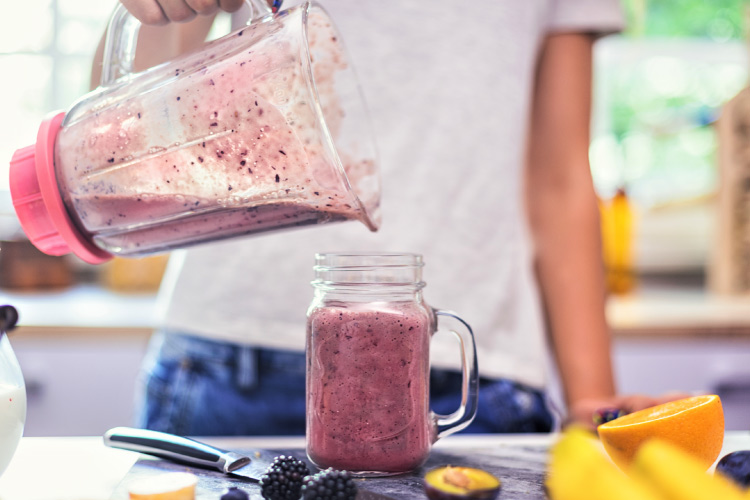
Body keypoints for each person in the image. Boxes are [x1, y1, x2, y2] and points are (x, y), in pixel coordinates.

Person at [97, 0, 680, 436]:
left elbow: (558, 181)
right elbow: (124, 123)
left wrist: (595, 402)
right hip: (233, 362)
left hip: (469, 381)